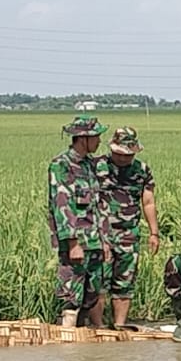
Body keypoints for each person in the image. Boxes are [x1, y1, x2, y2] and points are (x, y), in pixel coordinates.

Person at [48, 115, 108, 327]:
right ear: (83, 138)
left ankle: (82, 340)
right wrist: (73, 243)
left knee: (90, 297)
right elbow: (62, 206)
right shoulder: (62, 166)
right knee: (71, 297)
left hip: (94, 243)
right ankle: (68, 338)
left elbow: (98, 206)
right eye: (96, 137)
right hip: (77, 245)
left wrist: (104, 241)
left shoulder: (90, 166)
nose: (99, 141)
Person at [101, 126, 160, 330]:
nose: (122, 158)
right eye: (118, 154)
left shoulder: (142, 171)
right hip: (101, 235)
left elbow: (148, 202)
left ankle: (120, 326)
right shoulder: (97, 167)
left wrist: (154, 233)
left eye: (127, 155)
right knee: (99, 284)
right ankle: (97, 326)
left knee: (124, 284)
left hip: (129, 235)